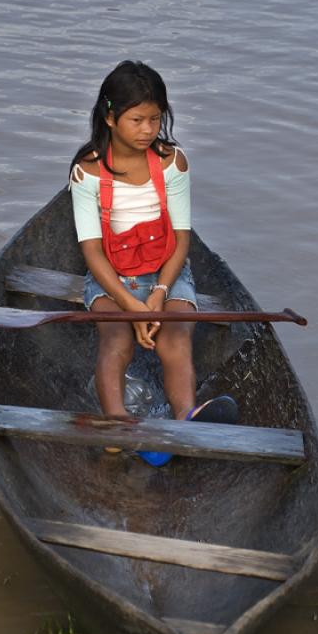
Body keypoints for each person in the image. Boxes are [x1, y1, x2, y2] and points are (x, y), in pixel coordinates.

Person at [69, 61, 238, 464]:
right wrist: (133, 308)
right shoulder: (87, 171)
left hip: (168, 272)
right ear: (111, 118)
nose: (148, 130)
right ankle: (117, 425)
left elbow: (181, 241)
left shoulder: (172, 163)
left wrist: (159, 296)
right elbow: (92, 252)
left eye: (155, 119)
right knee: (117, 339)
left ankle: (184, 421)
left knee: (176, 337)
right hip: (111, 278)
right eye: (137, 119)